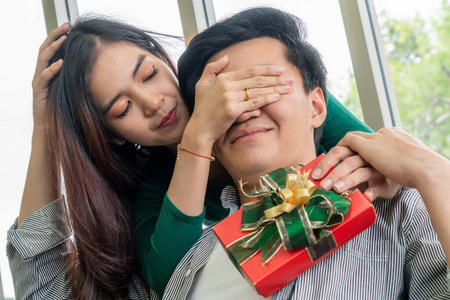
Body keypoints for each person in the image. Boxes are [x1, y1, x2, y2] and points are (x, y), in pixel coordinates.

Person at [7, 13, 381, 299]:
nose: (154, 103)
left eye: (150, 74)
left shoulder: (254, 90)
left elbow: (379, 154)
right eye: (123, 109)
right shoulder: (151, 192)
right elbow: (176, 283)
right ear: (113, 136)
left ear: (161, 57)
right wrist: (45, 132)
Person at [153, 7, 450, 299]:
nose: (244, 111)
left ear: (317, 107)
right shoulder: (187, 262)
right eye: (223, 100)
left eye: (266, 85)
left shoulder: (403, 210)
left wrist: (435, 173)